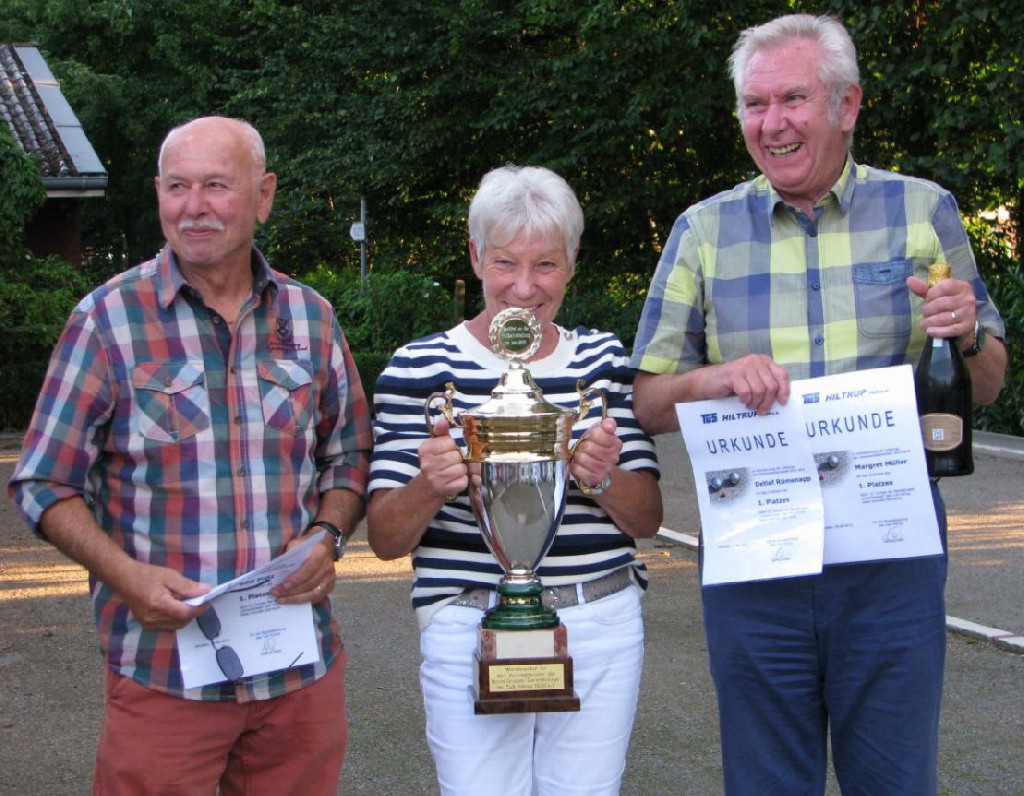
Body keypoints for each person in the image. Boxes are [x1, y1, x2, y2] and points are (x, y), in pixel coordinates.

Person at [630, 14, 1008, 796]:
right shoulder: (701, 231)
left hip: (891, 557)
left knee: (896, 779)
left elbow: (991, 383)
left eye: (792, 99)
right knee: (766, 781)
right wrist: (715, 379)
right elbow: (647, 400)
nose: (772, 123)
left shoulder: (923, 211)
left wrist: (967, 337)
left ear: (847, 105)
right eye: (754, 105)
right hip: (756, 554)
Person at [8, 116, 371, 795]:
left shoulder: (312, 318)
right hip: (164, 673)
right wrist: (124, 575)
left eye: (215, 185)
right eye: (177, 186)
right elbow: (41, 482)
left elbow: (349, 456)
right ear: (157, 195)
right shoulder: (107, 320)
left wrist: (328, 535)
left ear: (262, 196)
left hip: (296, 674)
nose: (193, 206)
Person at [367, 165, 662, 796]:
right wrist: (430, 485)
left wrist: (604, 478)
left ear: (573, 262)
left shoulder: (605, 363)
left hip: (598, 620)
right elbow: (386, 539)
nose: (524, 287)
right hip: (467, 620)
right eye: (505, 262)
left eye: (546, 265)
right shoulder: (419, 367)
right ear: (475, 257)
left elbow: (648, 519)